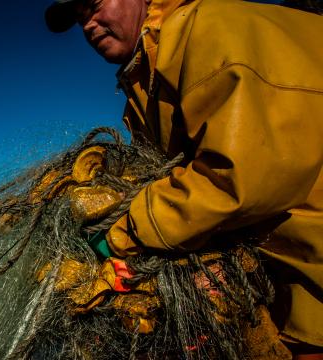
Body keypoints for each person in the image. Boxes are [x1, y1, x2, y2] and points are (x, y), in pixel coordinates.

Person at [45, 0, 323, 356]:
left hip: (312, 287)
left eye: (94, 5)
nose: (87, 26)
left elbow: (238, 177)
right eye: (80, 19)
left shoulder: (208, 28)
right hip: (285, 285)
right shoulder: (143, 85)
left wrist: (116, 237)